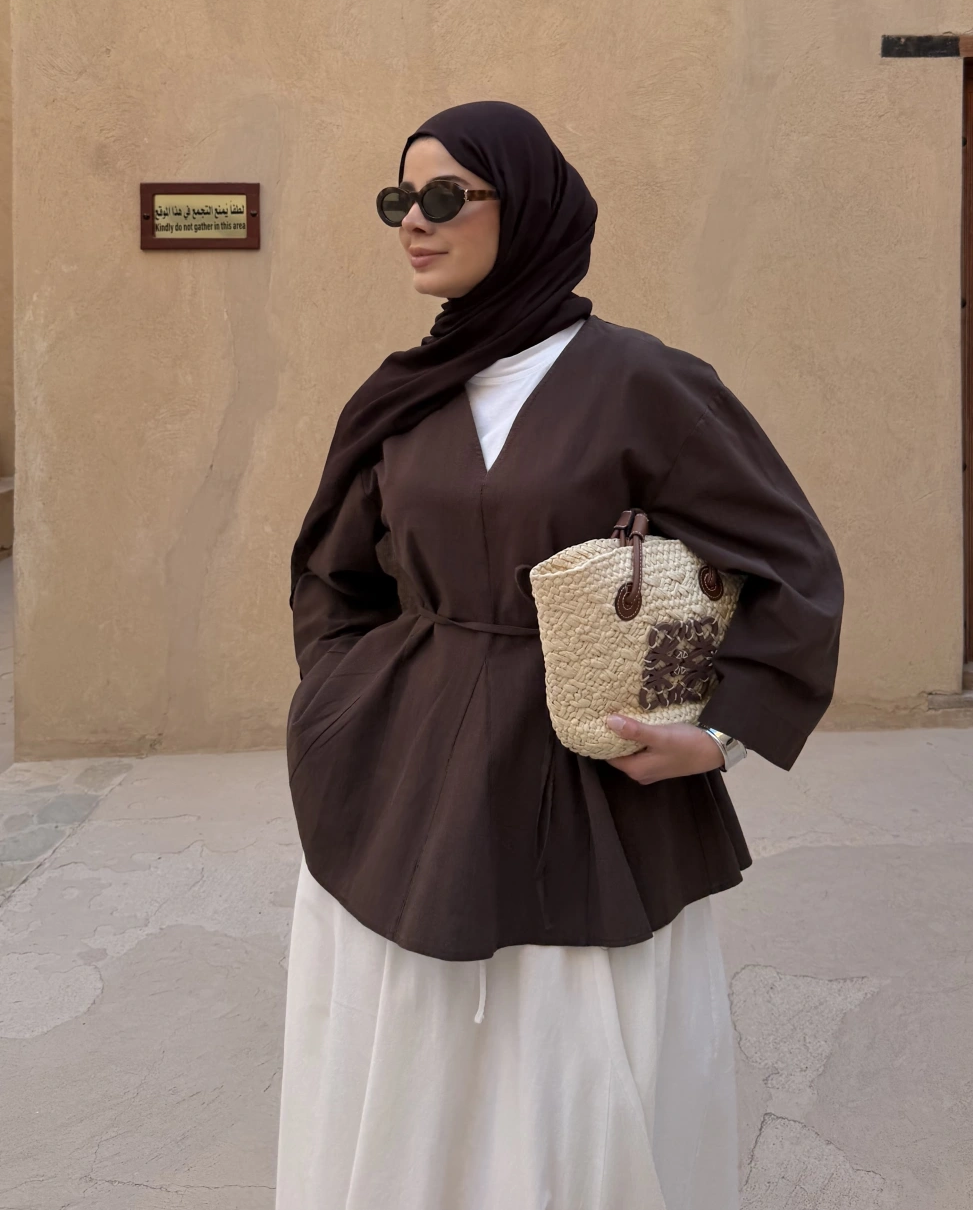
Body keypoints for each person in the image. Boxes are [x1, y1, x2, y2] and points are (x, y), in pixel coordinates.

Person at [276, 101, 844, 1210]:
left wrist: (720, 733)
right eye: (399, 200)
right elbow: (333, 577)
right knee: (418, 1055)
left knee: (574, 1065)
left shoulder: (640, 381)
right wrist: (345, 708)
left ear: (527, 206)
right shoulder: (404, 394)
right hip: (407, 786)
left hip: (591, 787)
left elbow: (791, 562)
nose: (414, 222)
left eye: (445, 196)